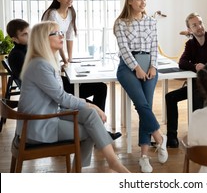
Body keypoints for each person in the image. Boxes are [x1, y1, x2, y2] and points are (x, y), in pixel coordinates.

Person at [16, 21, 130, 173]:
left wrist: (91, 109)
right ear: (43, 39)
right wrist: (93, 105)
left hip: (49, 117)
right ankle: (94, 168)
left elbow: (60, 99)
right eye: (56, 33)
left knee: (91, 117)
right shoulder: (40, 65)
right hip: (39, 126)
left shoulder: (45, 62)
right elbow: (62, 98)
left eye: (61, 32)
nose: (61, 35)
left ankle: (105, 164)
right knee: (92, 129)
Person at [6, 19, 121, 140]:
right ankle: (100, 134)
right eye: (24, 34)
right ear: (14, 39)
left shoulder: (32, 52)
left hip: (54, 88)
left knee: (100, 88)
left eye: (30, 32)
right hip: (48, 96)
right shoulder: (19, 56)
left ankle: (100, 132)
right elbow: (37, 80)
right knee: (90, 106)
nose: (29, 36)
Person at [113, 0, 167, 173]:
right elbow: (124, 50)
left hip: (149, 66)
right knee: (142, 105)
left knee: (146, 107)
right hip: (128, 67)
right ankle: (160, 138)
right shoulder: (120, 23)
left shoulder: (151, 22)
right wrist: (136, 68)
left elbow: (154, 46)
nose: (143, 2)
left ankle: (144, 156)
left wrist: (153, 67)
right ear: (129, 1)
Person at [165, 13, 207, 148]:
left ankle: (198, 137)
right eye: (194, 25)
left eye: (200, 23)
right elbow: (182, 62)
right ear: (190, 30)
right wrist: (195, 66)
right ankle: (171, 137)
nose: (199, 27)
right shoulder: (190, 44)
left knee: (196, 96)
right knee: (170, 97)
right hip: (197, 84)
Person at [41, 0, 76, 65]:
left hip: (56, 47)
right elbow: (55, 38)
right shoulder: (52, 14)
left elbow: (69, 35)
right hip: (46, 49)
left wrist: (70, 59)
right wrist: (65, 60)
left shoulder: (71, 12)